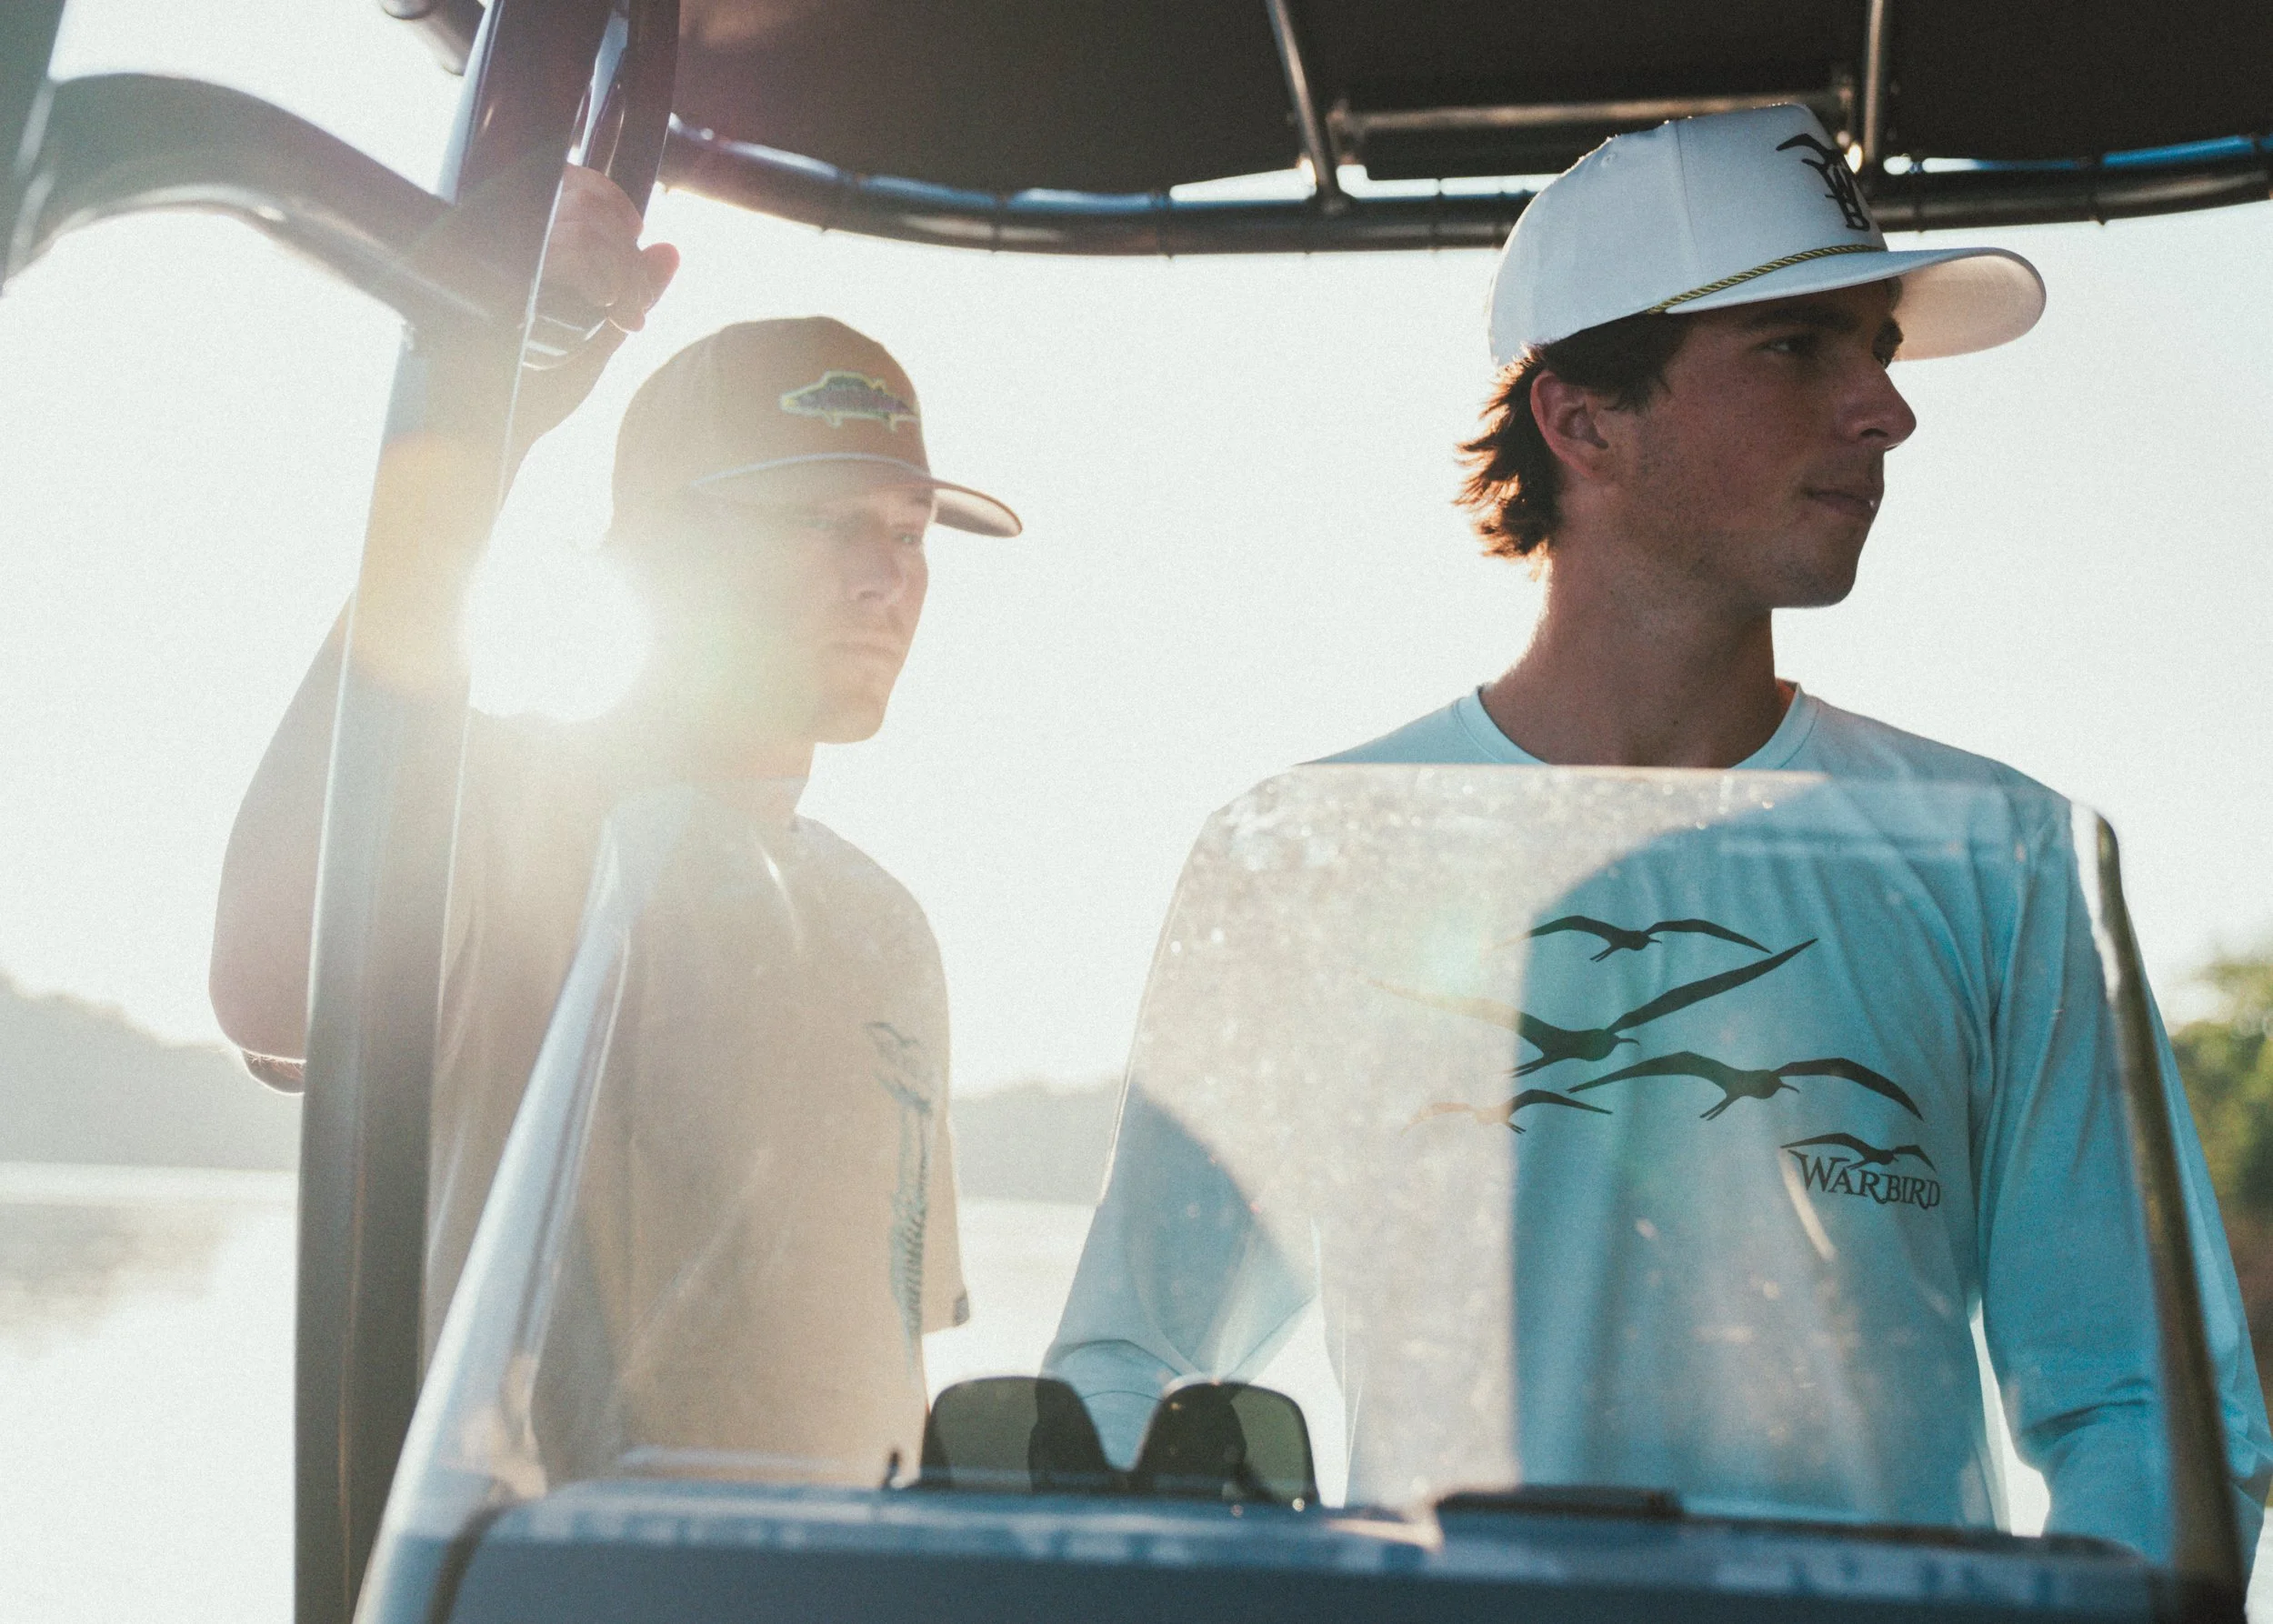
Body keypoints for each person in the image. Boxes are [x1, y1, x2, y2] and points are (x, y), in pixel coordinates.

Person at [1045, 105, 2273, 1557]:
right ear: (1585, 417)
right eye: (1796, 347)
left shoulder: (1996, 857)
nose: (1886, 407)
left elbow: (2150, 1409)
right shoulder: (1307, 856)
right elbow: (1131, 1371)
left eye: (1872, 347)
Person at [208, 175, 1021, 1475]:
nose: (886, 577)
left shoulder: (887, 927)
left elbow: (883, 1383)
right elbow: (265, 975)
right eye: (827, 524)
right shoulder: (513, 811)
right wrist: (493, 412)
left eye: (911, 531)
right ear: (666, 549)